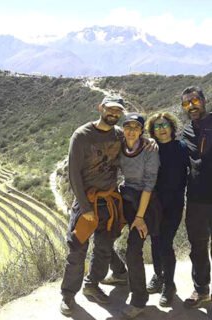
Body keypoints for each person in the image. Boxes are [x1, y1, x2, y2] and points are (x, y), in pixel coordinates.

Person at [60, 94, 128, 316]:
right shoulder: (82, 136)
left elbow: (134, 147)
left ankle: (92, 285)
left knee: (104, 248)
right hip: (86, 203)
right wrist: (85, 208)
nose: (113, 114)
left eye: (118, 111)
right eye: (110, 109)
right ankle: (68, 297)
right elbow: (74, 175)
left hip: (109, 200)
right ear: (100, 108)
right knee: (77, 250)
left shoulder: (118, 135)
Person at [119, 113, 160, 319]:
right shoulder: (120, 144)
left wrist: (140, 217)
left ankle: (139, 300)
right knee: (104, 233)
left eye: (136, 127)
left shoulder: (150, 150)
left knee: (133, 250)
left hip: (145, 204)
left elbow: (149, 185)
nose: (132, 131)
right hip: (125, 199)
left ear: (142, 130)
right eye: (128, 126)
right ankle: (118, 273)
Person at [145, 112, 189, 307]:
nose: (161, 129)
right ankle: (158, 275)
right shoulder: (150, 149)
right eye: (157, 126)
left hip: (174, 202)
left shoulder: (182, 147)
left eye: (164, 125)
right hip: (154, 203)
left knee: (165, 242)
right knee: (155, 240)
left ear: (171, 126)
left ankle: (169, 285)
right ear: (152, 131)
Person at [181, 86, 212, 309]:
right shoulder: (186, 132)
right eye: (186, 103)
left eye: (194, 101)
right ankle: (201, 290)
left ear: (204, 100)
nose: (191, 106)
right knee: (198, 247)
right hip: (197, 199)